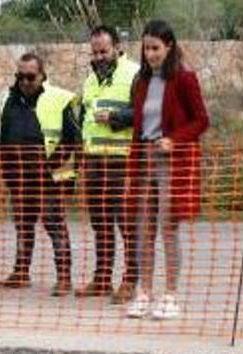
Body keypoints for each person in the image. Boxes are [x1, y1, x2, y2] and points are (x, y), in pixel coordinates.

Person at [124, 20, 209, 321]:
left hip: (172, 161)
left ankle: (170, 295)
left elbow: (201, 121)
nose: (150, 54)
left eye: (155, 48)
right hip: (144, 157)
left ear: (169, 47)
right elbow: (138, 120)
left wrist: (174, 139)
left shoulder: (185, 79)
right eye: (146, 48)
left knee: (168, 227)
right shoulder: (142, 80)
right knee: (143, 228)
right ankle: (143, 293)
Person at [0, 53, 80, 296]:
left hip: (49, 177)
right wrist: (3, 165)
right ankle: (21, 272)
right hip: (18, 177)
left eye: (30, 77)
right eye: (19, 76)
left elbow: (72, 141)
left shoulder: (60, 99)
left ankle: (64, 278)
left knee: (54, 224)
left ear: (42, 75)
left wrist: (58, 172)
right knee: (23, 225)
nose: (24, 82)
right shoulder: (7, 98)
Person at [76, 25, 141, 303]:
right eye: (95, 52)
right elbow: (84, 118)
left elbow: (144, 112)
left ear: (116, 47)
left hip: (122, 160)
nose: (100, 56)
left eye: (104, 51)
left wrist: (116, 117)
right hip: (93, 160)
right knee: (99, 221)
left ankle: (129, 280)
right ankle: (102, 278)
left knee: (126, 223)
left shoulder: (135, 73)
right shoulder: (90, 79)